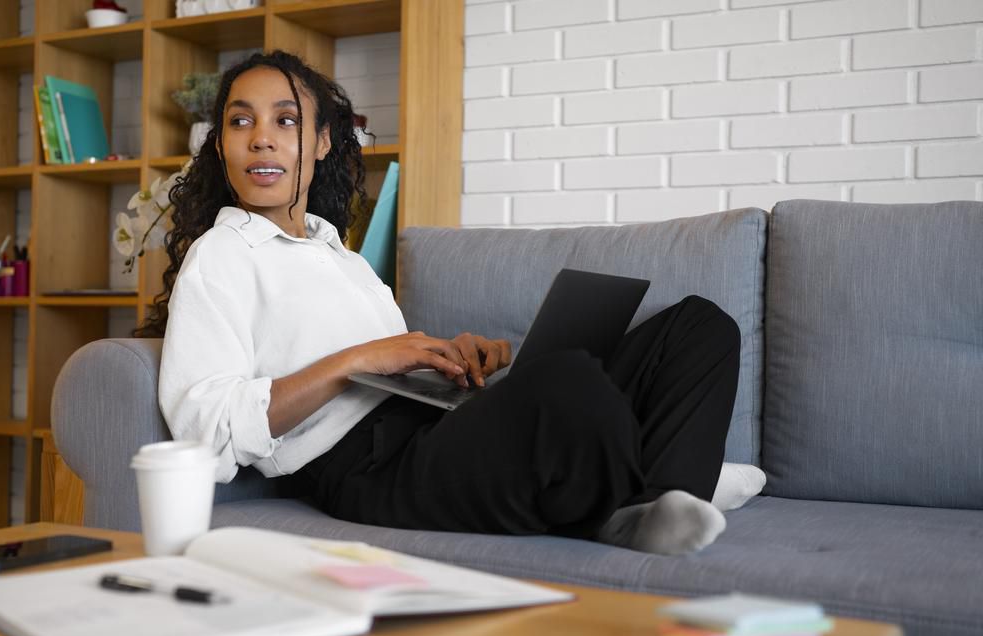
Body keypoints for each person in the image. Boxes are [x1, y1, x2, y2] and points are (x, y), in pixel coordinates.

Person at [142, 50, 742, 556]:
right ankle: (647, 494)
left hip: (433, 425)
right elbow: (207, 431)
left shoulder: (339, 255)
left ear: (322, 142)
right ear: (221, 145)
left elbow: (388, 366)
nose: (262, 138)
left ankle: (656, 498)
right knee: (567, 381)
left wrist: (451, 358)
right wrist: (357, 360)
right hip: (368, 470)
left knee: (698, 326)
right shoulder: (221, 256)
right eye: (240, 121)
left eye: (286, 120)